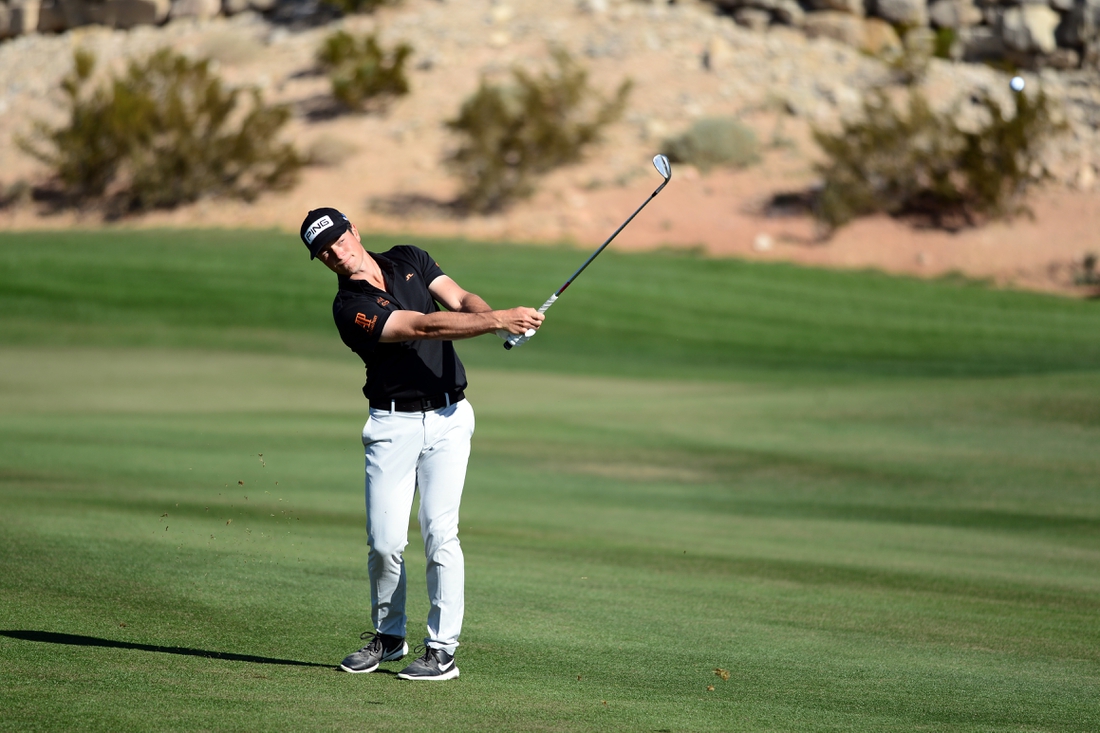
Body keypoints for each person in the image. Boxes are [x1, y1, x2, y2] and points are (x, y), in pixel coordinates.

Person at [300, 208, 543, 681]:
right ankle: (390, 637)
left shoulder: (409, 257)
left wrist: (490, 316)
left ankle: (441, 650)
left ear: (355, 231)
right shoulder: (350, 307)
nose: (335, 254)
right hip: (393, 427)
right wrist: (499, 321)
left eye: (338, 240)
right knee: (386, 542)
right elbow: (422, 327)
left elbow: (458, 297)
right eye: (323, 252)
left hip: (451, 418)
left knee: (440, 532)